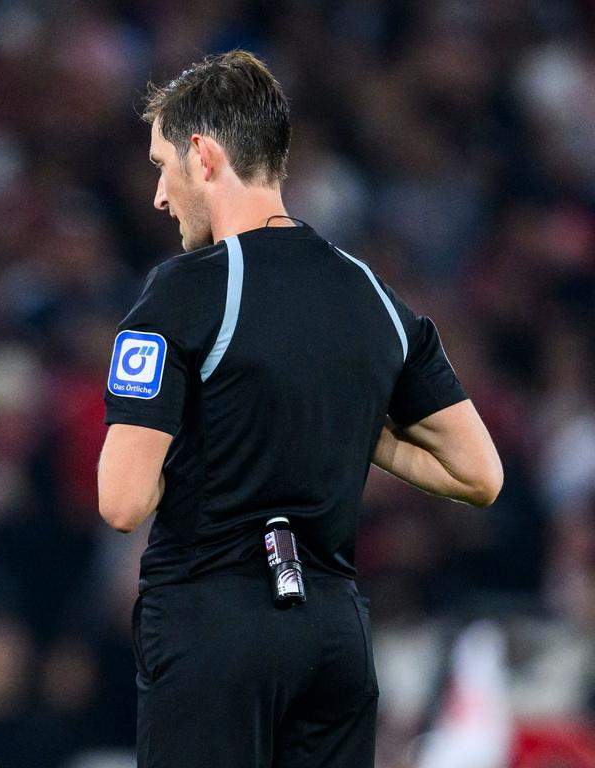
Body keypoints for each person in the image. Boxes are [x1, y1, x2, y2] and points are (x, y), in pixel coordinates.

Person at [97, 51, 503, 768]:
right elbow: (480, 473)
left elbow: (122, 500)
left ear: (203, 154)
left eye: (162, 165)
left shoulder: (183, 291)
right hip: (334, 636)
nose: (159, 196)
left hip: (212, 625)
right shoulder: (375, 296)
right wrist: (353, 421)